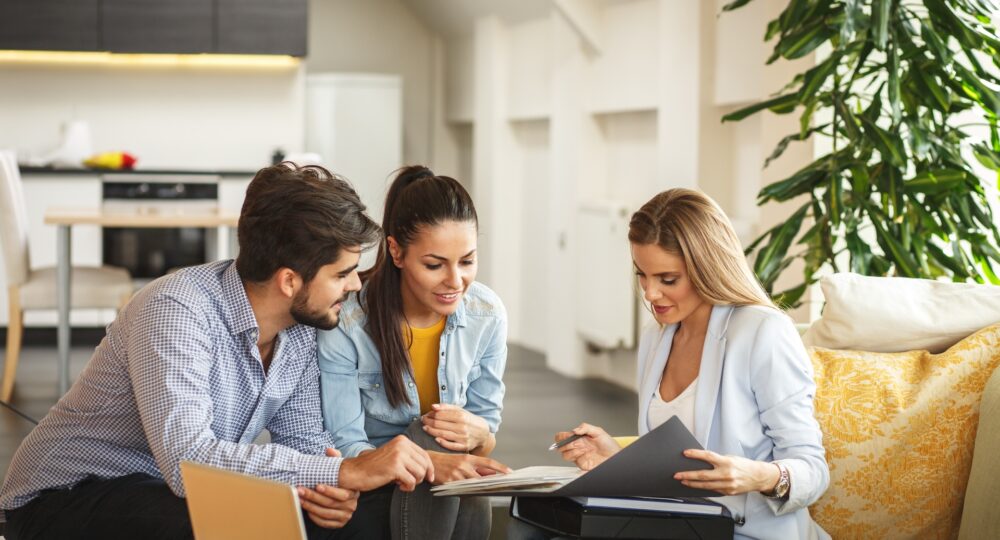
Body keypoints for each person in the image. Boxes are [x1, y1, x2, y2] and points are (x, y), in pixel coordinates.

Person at [0, 163, 437, 540]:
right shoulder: (175, 309)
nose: (355, 285)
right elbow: (188, 460)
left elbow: (306, 444)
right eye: (342, 274)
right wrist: (343, 473)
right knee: (233, 524)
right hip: (64, 496)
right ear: (289, 281)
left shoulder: (303, 327)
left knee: (365, 519)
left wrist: (332, 491)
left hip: (175, 491)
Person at [538, 188, 829, 539]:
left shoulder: (762, 332)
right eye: (641, 275)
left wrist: (758, 476)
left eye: (667, 279)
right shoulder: (657, 335)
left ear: (708, 267)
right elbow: (672, 469)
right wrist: (615, 458)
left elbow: (813, 470)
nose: (649, 293)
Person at [318, 165, 510, 540]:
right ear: (396, 251)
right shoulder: (350, 322)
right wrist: (430, 462)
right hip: (375, 486)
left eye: (467, 261)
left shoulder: (487, 314)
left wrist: (479, 435)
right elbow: (345, 444)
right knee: (427, 435)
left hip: (447, 487)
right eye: (435, 265)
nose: (456, 282)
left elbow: (486, 436)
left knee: (454, 450)